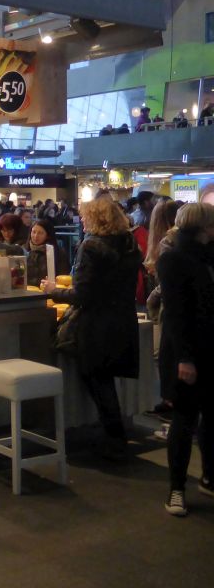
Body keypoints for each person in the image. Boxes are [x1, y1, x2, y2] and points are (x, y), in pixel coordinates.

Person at [42, 196, 142, 458]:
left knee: (98, 381)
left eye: (86, 217)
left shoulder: (92, 247)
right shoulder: (130, 244)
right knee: (105, 380)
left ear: (97, 219)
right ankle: (115, 436)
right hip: (123, 319)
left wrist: (54, 292)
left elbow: (83, 296)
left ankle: (115, 440)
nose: (82, 221)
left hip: (97, 325)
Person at [156, 203, 214, 516]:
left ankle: (208, 476)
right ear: (203, 227)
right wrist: (185, 358)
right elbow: (177, 314)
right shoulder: (173, 258)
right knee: (184, 418)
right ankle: (176, 489)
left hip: (209, 347)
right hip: (185, 352)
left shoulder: (208, 255)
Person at [145, 199, 182, 418]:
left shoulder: (168, 242)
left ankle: (170, 399)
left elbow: (168, 282)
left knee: (163, 354)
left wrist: (153, 296)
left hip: (168, 307)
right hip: (173, 306)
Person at [25, 218, 70, 287]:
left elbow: (63, 276)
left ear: (47, 235)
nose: (36, 236)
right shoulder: (26, 251)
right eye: (33, 232)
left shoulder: (58, 253)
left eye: (40, 233)